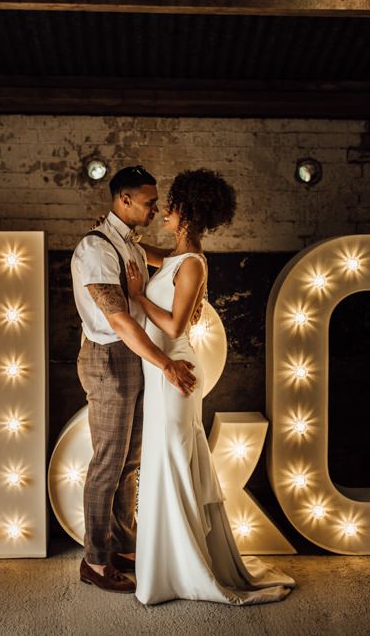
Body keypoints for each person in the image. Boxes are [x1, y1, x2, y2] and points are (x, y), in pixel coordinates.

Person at [126, 168, 295, 605]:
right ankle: (169, 564)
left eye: (172, 205)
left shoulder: (193, 263)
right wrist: (119, 239)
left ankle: (185, 568)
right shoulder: (179, 257)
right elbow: (159, 258)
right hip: (163, 373)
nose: (164, 209)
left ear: (187, 213)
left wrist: (137, 296)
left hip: (175, 374)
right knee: (165, 462)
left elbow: (174, 322)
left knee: (173, 462)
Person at [70, 165, 196, 593]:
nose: (155, 209)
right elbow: (120, 319)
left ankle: (123, 545)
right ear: (123, 200)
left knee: (130, 463)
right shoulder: (96, 248)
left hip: (135, 357)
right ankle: (95, 561)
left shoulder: (129, 244)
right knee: (107, 463)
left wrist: (191, 248)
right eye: (148, 202)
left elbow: (165, 261)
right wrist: (166, 363)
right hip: (109, 358)